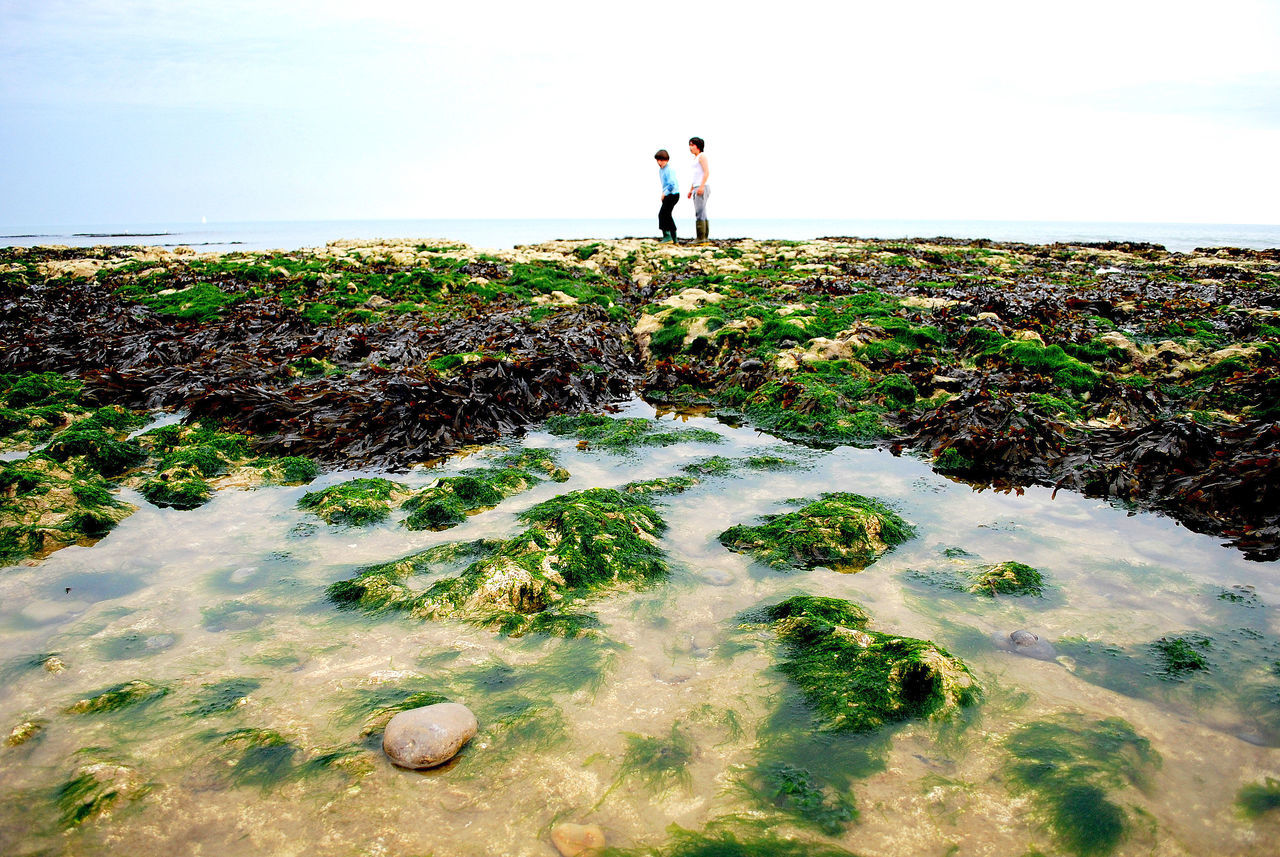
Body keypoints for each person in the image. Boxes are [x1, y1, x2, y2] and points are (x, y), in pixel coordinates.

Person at [686, 137, 710, 244]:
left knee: (700, 212)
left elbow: (706, 172)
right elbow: (696, 176)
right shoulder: (695, 158)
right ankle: (703, 238)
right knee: (702, 212)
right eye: (689, 145)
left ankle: (701, 237)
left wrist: (701, 186)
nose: (690, 147)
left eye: (692, 145)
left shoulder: (702, 156)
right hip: (696, 187)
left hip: (702, 187)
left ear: (698, 146)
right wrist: (691, 190)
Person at [655, 149, 679, 243]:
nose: (659, 162)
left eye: (661, 160)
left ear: (667, 160)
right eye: (658, 160)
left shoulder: (669, 170)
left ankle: (668, 236)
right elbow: (664, 184)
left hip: (673, 194)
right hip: (667, 194)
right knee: (666, 215)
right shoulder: (661, 170)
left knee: (663, 214)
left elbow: (672, 184)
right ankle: (673, 239)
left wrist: (665, 194)